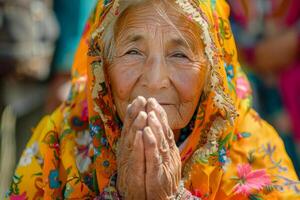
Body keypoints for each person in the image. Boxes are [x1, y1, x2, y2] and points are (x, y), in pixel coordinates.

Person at [6, 0, 300, 199]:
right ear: (102, 65)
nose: (155, 78)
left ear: (213, 71)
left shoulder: (251, 149)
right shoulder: (60, 143)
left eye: (180, 54)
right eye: (133, 52)